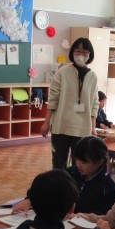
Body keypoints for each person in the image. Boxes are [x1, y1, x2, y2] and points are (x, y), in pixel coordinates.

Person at [12, 136, 115, 216]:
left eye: (84, 162)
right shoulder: (71, 173)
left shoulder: (108, 188)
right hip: (61, 221)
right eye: (77, 159)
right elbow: (47, 187)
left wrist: (84, 217)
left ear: (100, 162)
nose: (79, 165)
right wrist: (30, 199)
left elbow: (108, 217)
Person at [41, 37, 99, 170]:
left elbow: (95, 103)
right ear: (72, 52)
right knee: (58, 165)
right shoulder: (62, 72)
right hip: (61, 126)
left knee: (78, 167)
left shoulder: (93, 76)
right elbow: (53, 99)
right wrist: (46, 122)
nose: (81, 55)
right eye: (78, 51)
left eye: (85, 52)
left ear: (89, 55)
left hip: (82, 128)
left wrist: (93, 126)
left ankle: (74, 184)